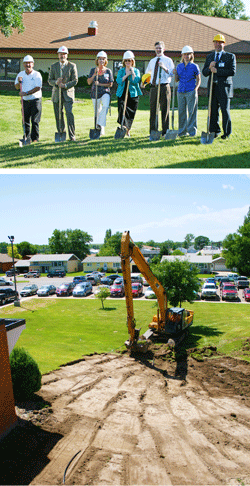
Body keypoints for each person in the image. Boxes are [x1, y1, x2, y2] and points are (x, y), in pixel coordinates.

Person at [202, 34, 236, 139]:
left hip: (224, 88)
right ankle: (214, 131)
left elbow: (232, 71)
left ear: (224, 44)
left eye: (220, 42)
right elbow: (204, 72)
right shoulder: (210, 57)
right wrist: (209, 67)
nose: (218, 44)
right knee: (213, 111)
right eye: (216, 42)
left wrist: (217, 71)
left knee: (225, 111)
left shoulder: (230, 56)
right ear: (213, 43)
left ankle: (226, 133)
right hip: (213, 87)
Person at [48, 46, 78, 141]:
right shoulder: (54, 66)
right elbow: (49, 80)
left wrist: (65, 86)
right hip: (57, 94)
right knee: (58, 114)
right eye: (61, 54)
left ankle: (72, 135)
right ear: (58, 55)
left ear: (67, 55)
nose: (62, 56)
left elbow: (75, 80)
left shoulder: (72, 66)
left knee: (69, 113)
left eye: (64, 54)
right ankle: (61, 132)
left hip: (68, 94)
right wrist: (56, 83)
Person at [145, 41, 174, 136]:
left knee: (165, 110)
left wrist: (164, 67)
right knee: (153, 110)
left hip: (164, 87)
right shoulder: (152, 61)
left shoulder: (168, 60)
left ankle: (165, 132)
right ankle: (153, 131)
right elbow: (148, 74)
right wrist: (144, 82)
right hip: (154, 87)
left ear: (163, 49)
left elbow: (172, 73)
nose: (158, 50)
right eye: (157, 48)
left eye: (160, 48)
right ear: (154, 49)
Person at [15, 55, 42, 143]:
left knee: (34, 121)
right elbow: (16, 87)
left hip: (35, 100)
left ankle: (34, 139)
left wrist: (26, 93)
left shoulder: (37, 74)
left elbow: (38, 87)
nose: (28, 65)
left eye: (29, 63)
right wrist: (19, 83)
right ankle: (26, 137)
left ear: (33, 64)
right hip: (25, 101)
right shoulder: (20, 74)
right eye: (26, 63)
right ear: (23, 64)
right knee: (25, 120)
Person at [175, 45, 201, 137]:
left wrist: (195, 89)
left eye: (188, 54)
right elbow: (176, 80)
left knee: (192, 112)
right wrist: (175, 73)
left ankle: (192, 131)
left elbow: (199, 79)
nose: (186, 56)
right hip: (180, 91)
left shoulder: (195, 66)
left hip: (191, 91)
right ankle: (182, 132)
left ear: (191, 55)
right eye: (185, 54)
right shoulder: (179, 66)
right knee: (181, 112)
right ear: (182, 55)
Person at [116, 51, 142, 137]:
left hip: (133, 94)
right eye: (126, 60)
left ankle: (128, 130)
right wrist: (126, 75)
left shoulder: (136, 70)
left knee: (131, 112)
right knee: (122, 109)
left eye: (129, 60)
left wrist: (133, 73)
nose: (128, 62)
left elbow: (136, 81)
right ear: (124, 61)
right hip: (122, 94)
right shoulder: (121, 70)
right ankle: (123, 126)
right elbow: (118, 81)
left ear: (132, 61)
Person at [87, 51, 113, 136]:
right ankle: (101, 130)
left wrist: (100, 84)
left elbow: (110, 84)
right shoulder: (93, 70)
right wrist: (95, 74)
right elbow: (89, 82)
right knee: (97, 111)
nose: (101, 61)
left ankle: (98, 124)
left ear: (105, 60)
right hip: (95, 92)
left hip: (105, 92)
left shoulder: (108, 71)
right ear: (97, 60)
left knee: (105, 106)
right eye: (100, 59)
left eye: (103, 59)